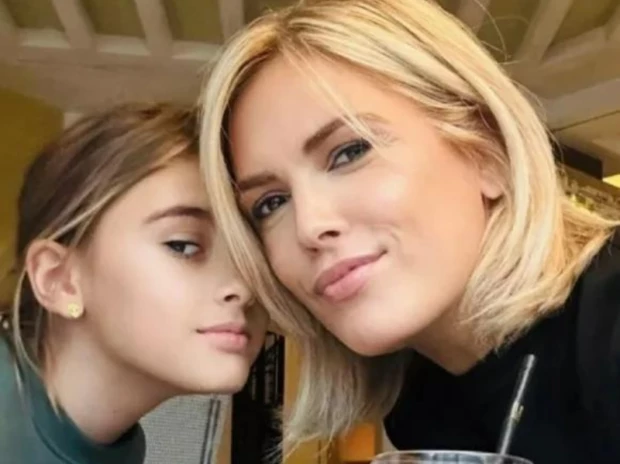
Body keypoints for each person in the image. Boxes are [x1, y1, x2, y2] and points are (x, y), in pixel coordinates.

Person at [198, 0, 620, 462]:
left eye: (349, 152)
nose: (310, 227)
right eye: (271, 203)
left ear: (487, 151)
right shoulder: (419, 404)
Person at [0, 103, 268, 463]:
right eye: (183, 245)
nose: (245, 289)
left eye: (253, 256)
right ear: (59, 279)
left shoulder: (115, 446)